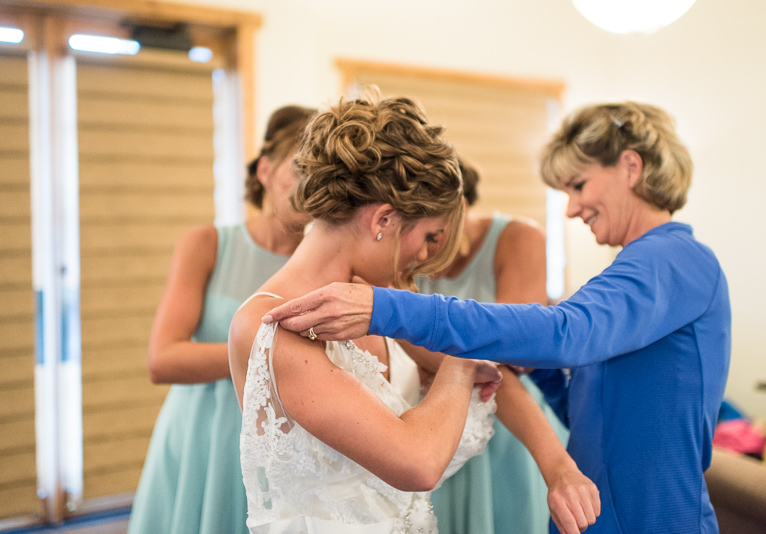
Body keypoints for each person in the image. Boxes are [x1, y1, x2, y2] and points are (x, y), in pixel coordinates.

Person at [262, 101, 732, 534]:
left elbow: (571, 332)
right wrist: (537, 368)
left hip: (656, 518)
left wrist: (389, 308)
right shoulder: (636, 267)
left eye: (579, 185)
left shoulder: (677, 259)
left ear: (631, 166)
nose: (571, 209)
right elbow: (594, 415)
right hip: (593, 516)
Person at [228, 91, 599, 534]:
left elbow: (499, 381)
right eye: (427, 238)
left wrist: (557, 466)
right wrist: (461, 361)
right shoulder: (268, 327)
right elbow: (417, 462)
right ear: (383, 220)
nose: (423, 259)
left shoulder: (378, 298)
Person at [128, 105, 316, 534]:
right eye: (298, 169)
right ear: (265, 170)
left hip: (285, 438)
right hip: (205, 434)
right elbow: (164, 359)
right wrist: (271, 353)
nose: (308, 186)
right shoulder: (208, 244)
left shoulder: (327, 267)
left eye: (322, 175)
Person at [417, 157, 568, 534]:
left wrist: (431, 356)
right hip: (434, 423)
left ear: (461, 206)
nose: (424, 252)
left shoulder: (519, 238)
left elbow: (511, 349)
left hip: (508, 421)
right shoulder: (405, 253)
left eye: (435, 233)